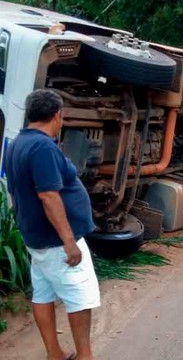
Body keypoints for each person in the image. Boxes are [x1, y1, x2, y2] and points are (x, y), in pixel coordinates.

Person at [4, 89, 99, 360]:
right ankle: (85, 356)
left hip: (37, 238)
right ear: (57, 116)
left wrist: (26, 226)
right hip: (57, 241)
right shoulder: (43, 147)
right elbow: (48, 195)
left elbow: (14, 193)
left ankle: (54, 354)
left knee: (43, 293)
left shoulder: (17, 144)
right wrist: (69, 240)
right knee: (79, 298)